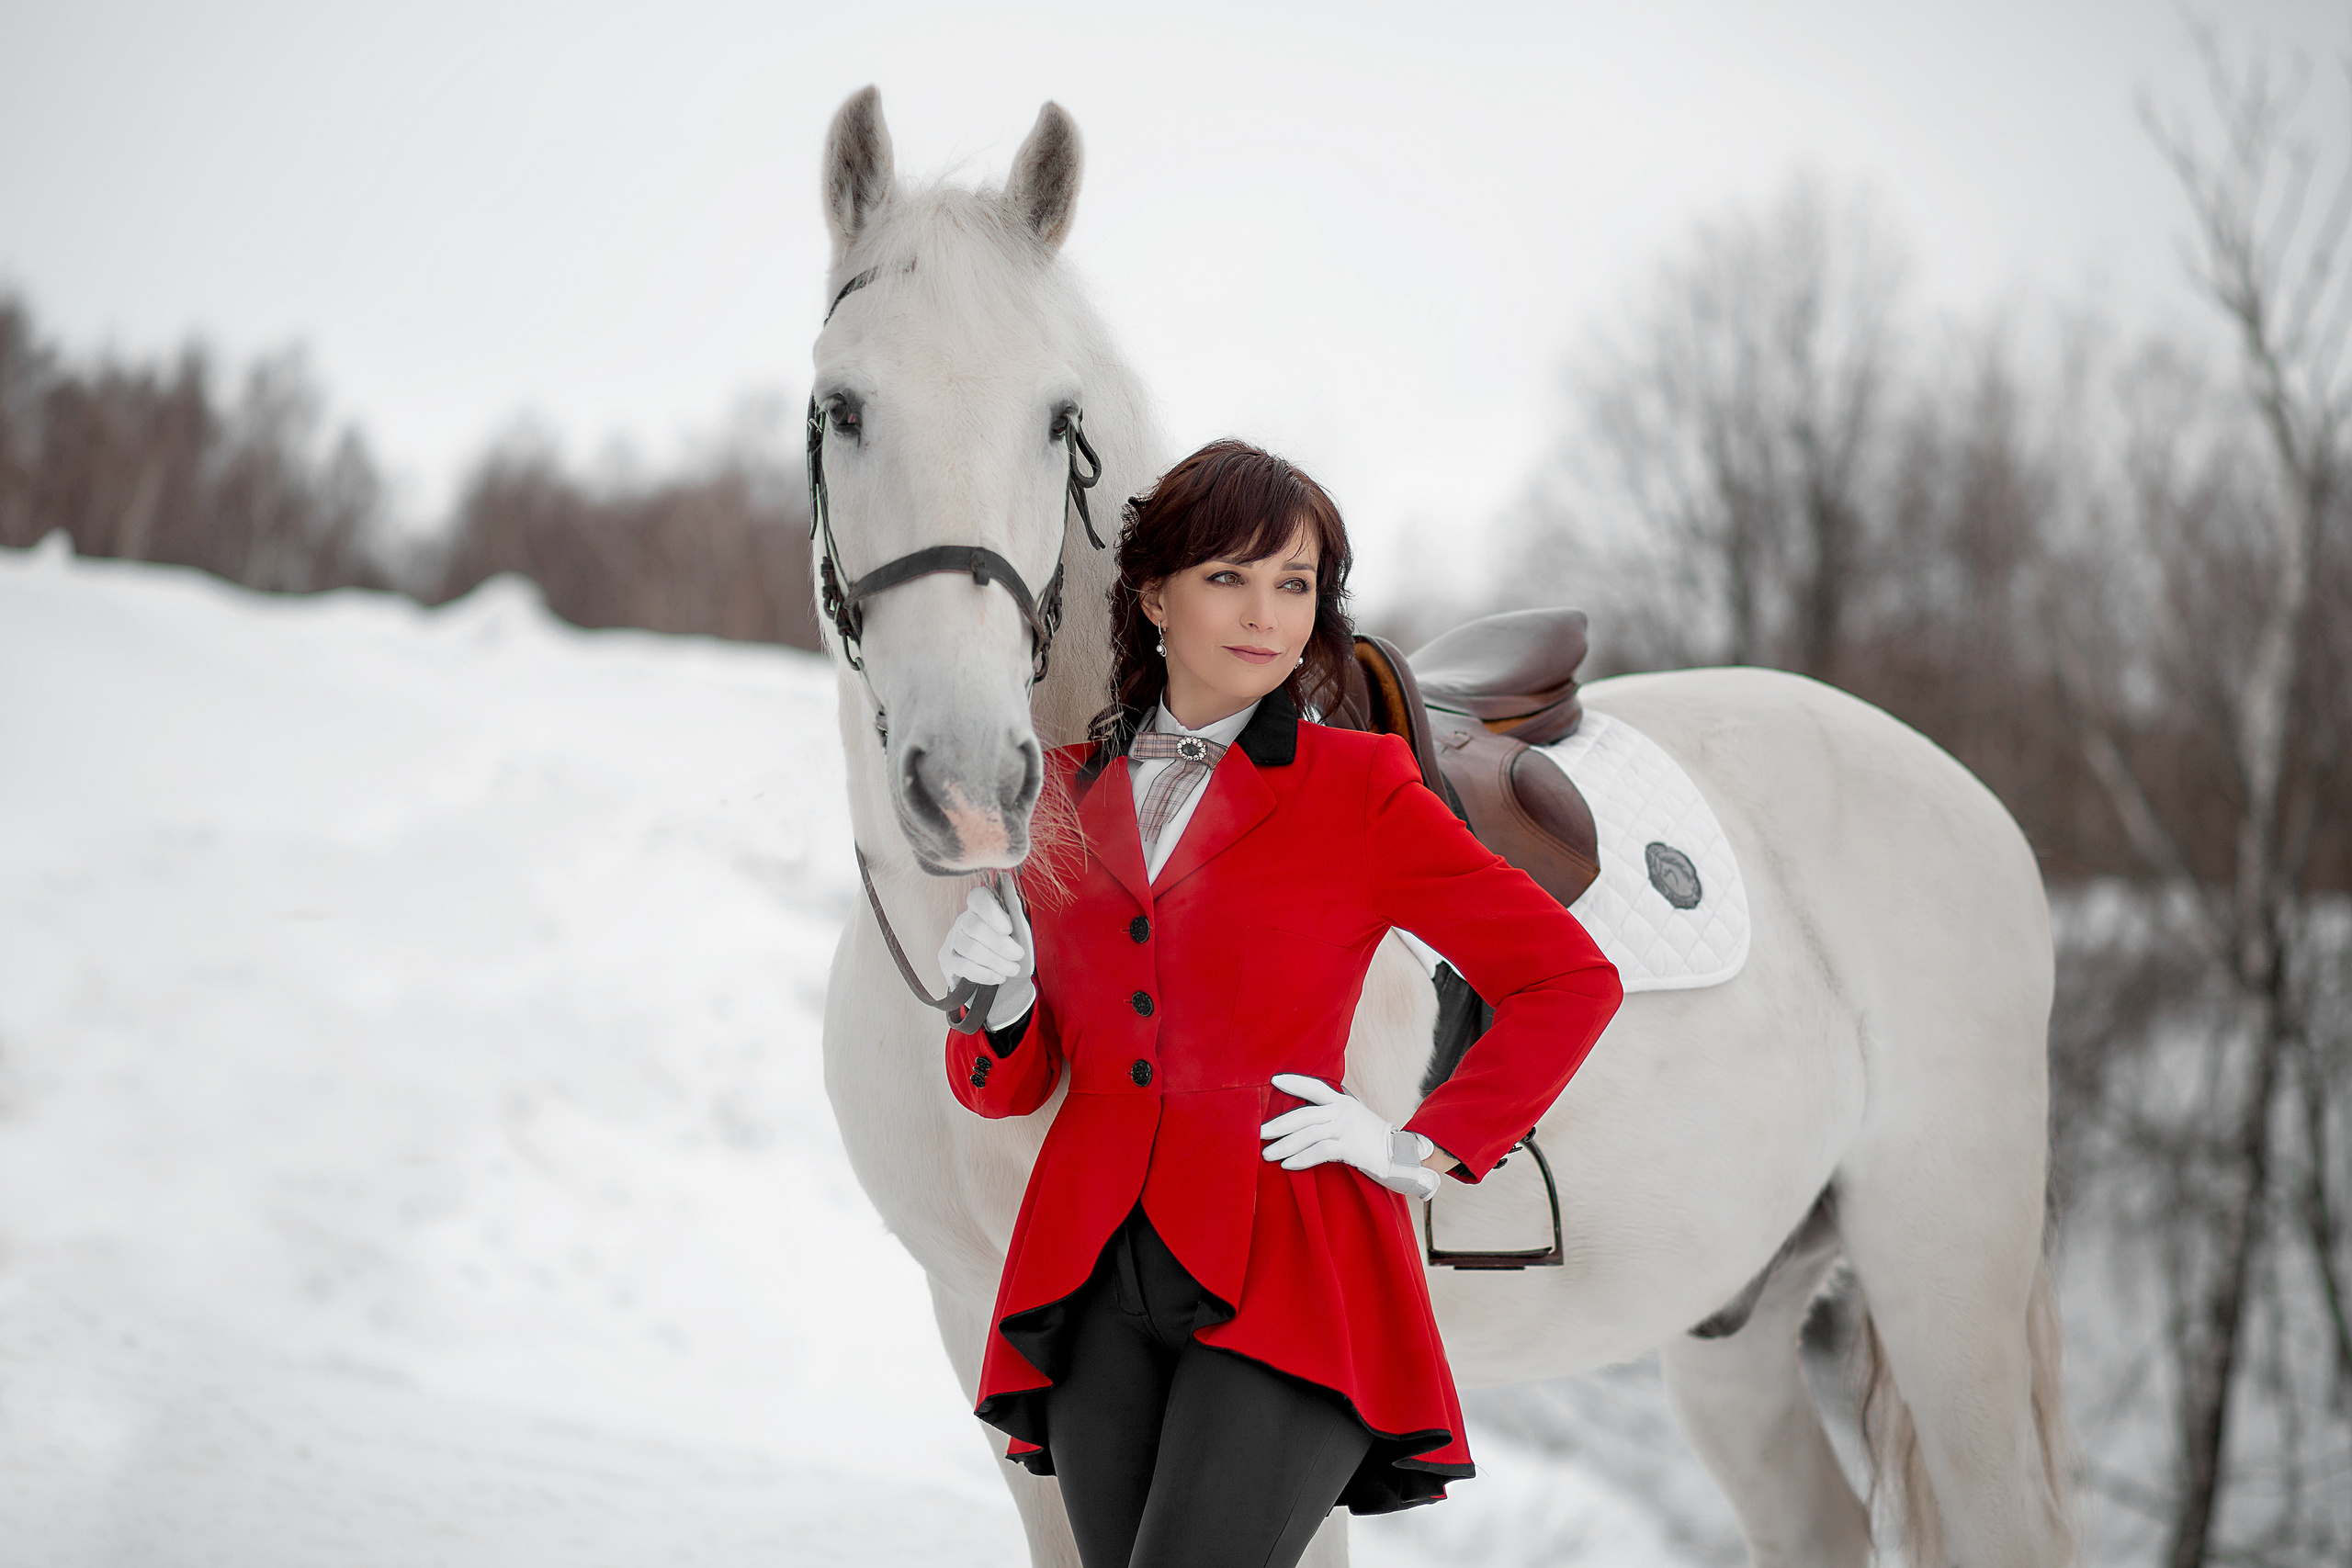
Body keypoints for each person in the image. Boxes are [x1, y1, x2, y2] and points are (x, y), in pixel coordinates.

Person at [935, 439, 1622, 1568]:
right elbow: (1009, 1086)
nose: (1265, 615)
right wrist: (997, 1010)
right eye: (1228, 578)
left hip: (1291, 1268)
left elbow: (1566, 979)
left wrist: (1422, 1146)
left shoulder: (1358, 789)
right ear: (1153, 594)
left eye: (1294, 585)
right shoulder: (1053, 795)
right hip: (1090, 1271)